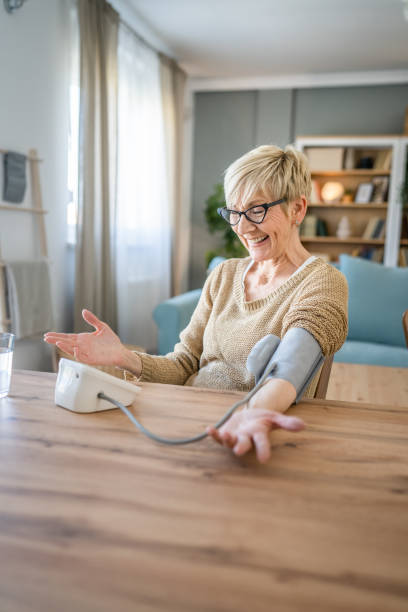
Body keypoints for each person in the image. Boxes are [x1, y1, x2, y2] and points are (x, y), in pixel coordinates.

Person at [45, 144, 348, 463]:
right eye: (235, 212)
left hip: (245, 429)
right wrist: (123, 357)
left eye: (257, 210)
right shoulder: (224, 275)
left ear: (297, 209)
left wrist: (253, 411)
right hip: (186, 414)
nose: (243, 228)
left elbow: (293, 361)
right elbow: (185, 364)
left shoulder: (322, 281)